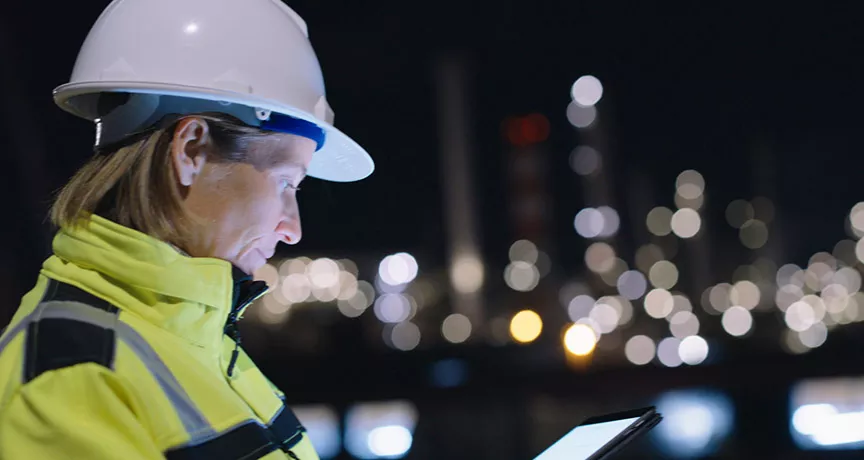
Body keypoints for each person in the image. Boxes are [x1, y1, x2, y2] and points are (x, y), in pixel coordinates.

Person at [0, 0, 373, 458]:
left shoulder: (188, 339)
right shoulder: (72, 375)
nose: (292, 229)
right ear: (191, 150)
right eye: (285, 183)